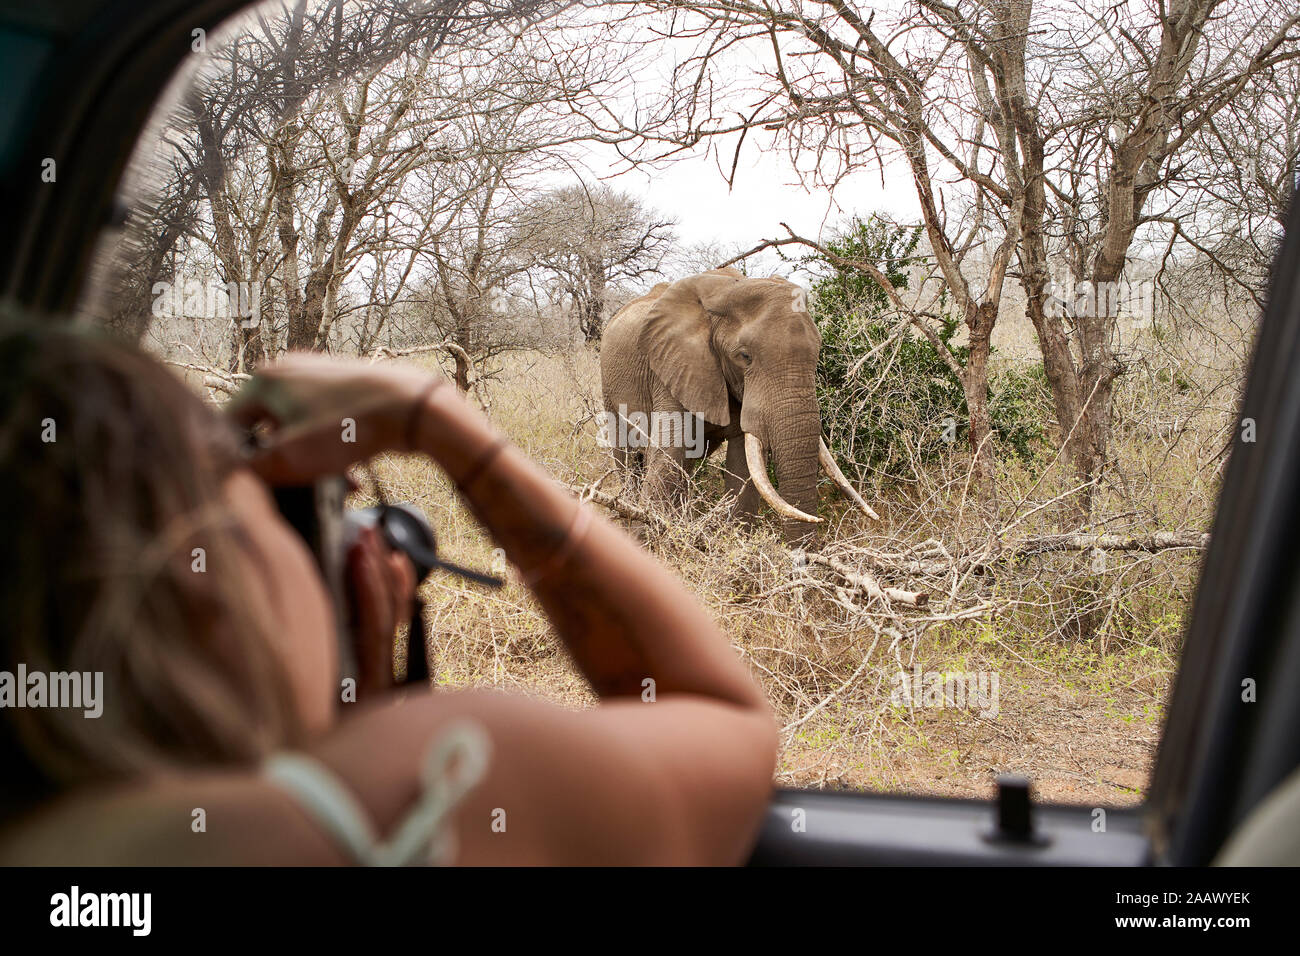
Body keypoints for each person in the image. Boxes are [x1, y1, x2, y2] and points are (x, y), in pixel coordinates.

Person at [0, 323, 777, 865]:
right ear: (202, 588)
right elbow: (726, 720)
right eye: (282, 520)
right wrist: (441, 423)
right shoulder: (415, 792)